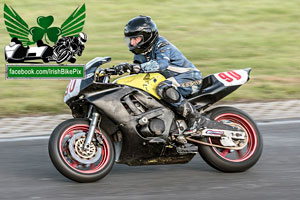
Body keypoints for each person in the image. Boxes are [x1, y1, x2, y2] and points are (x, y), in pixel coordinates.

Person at [118, 15, 236, 135]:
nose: (132, 43)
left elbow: (161, 64)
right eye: (130, 39)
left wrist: (136, 67)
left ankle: (195, 119)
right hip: (173, 81)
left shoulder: (161, 45)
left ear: (147, 36)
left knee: (163, 88)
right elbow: (139, 74)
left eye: (136, 39)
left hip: (190, 78)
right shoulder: (139, 55)